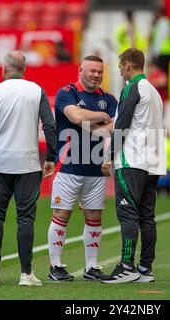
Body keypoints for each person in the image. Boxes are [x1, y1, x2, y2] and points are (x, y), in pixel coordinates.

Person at [0, 51, 57, 286]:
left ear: (3, 69)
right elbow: (49, 126)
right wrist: (50, 157)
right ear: (24, 69)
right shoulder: (35, 90)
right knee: (25, 220)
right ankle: (25, 274)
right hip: (28, 165)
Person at [47, 55, 117, 281]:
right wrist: (101, 117)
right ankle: (55, 266)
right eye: (92, 71)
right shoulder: (67, 92)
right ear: (80, 70)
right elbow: (75, 116)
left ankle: (91, 268)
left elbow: (113, 129)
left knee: (94, 216)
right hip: (68, 166)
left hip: (96, 168)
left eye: (100, 72)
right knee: (61, 214)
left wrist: (93, 123)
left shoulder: (109, 98)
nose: (96, 75)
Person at [100, 48, 166, 284]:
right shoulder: (154, 92)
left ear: (127, 65)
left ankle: (127, 266)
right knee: (147, 216)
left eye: (120, 66)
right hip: (152, 161)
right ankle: (145, 268)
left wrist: (109, 155)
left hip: (132, 160)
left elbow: (123, 124)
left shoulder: (132, 88)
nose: (119, 70)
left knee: (127, 213)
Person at [149, 7, 170, 74]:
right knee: (163, 72)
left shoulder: (163, 23)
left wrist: (155, 53)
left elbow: (160, 39)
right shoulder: (162, 22)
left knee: (162, 72)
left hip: (164, 51)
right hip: (164, 51)